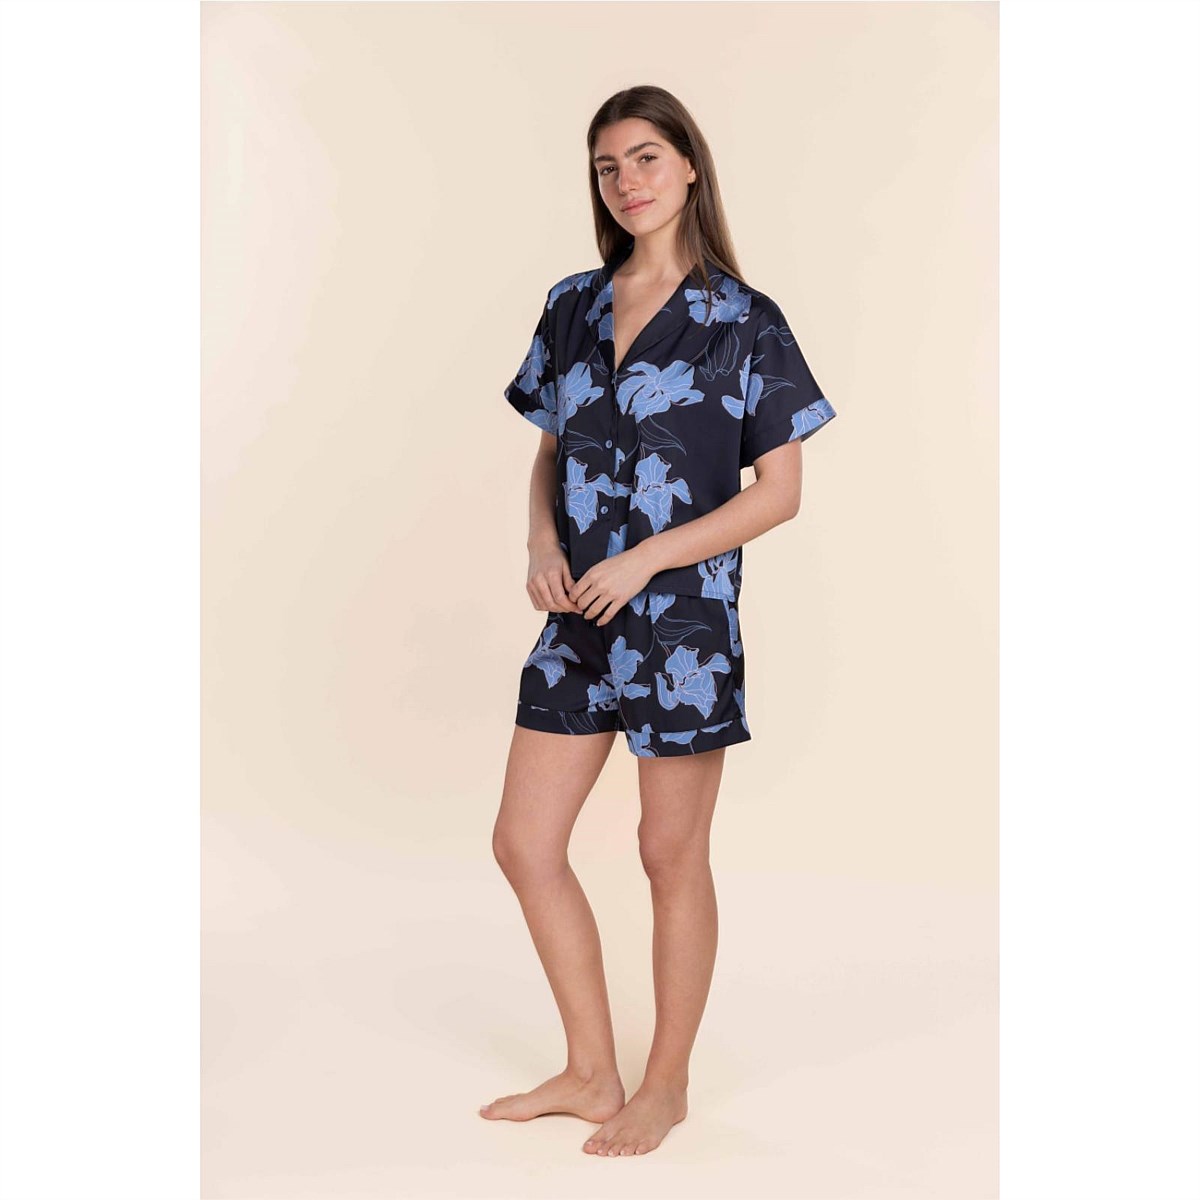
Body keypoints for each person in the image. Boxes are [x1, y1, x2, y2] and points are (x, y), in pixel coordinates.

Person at [481, 85, 837, 1158]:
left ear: (688, 165)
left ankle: (665, 1084)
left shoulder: (745, 321)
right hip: (578, 618)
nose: (627, 181)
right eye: (607, 166)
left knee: (668, 853)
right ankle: (592, 1072)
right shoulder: (572, 306)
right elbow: (550, 450)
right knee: (524, 843)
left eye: (645, 157)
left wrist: (647, 557)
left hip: (682, 625)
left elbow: (780, 493)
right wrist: (542, 545)